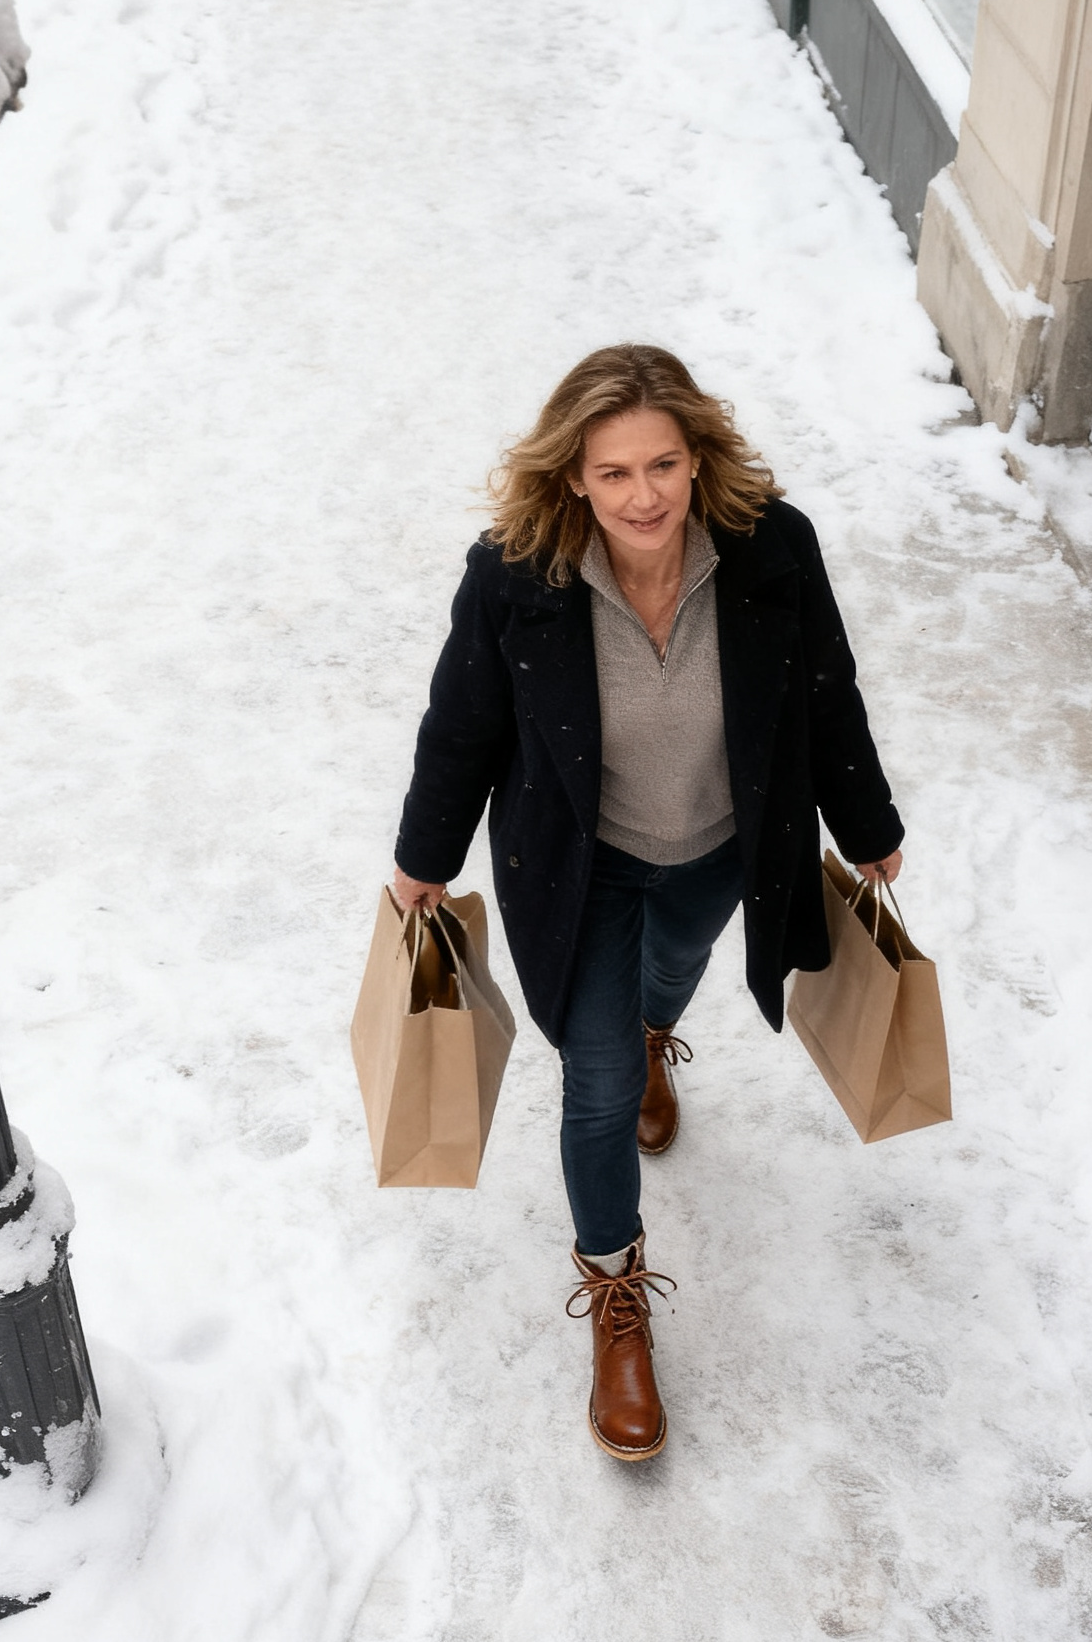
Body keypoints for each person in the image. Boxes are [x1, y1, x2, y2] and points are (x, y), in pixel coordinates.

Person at [391, 344, 904, 1461]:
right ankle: (616, 1296)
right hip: (582, 864)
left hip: (726, 845)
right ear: (572, 476)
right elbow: (462, 725)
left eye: (662, 464)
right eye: (613, 472)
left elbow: (826, 693)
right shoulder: (514, 573)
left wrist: (867, 829)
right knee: (596, 1080)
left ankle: (655, 1026)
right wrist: (422, 856)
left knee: (670, 975)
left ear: (695, 456)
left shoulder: (773, 547)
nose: (643, 496)